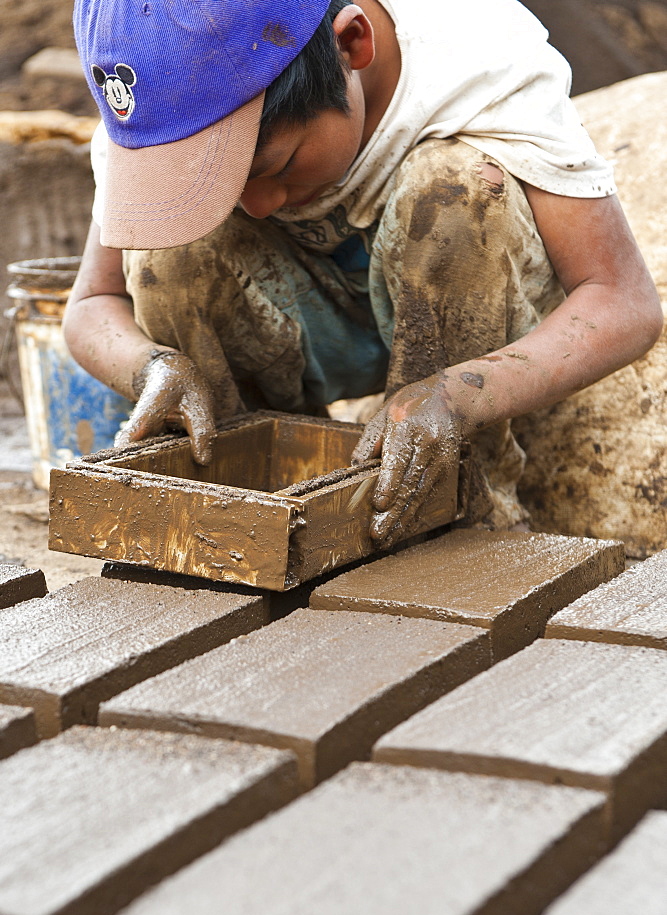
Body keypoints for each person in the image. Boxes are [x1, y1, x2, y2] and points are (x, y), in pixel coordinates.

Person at [66, 0, 662, 549]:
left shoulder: (476, 54)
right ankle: (253, 516)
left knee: (454, 193)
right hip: (302, 326)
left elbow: (622, 301)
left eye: (276, 166)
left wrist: (457, 397)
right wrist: (152, 365)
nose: (259, 206)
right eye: (224, 184)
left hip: (468, 321)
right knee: (171, 252)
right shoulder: (155, 118)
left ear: (351, 44)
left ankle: (455, 521)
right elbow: (93, 302)